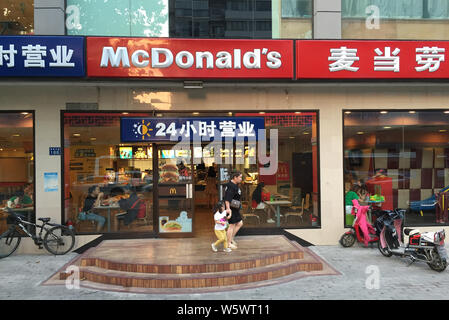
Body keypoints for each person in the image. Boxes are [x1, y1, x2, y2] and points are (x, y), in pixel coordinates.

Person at [224, 171, 243, 250]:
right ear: (235, 177)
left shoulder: (235, 185)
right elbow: (227, 199)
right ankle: (228, 243)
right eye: (240, 177)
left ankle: (230, 239)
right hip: (231, 208)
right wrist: (228, 209)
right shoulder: (230, 186)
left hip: (235, 207)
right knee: (231, 225)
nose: (241, 179)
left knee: (239, 223)